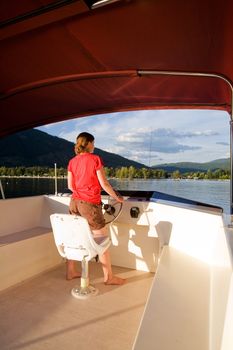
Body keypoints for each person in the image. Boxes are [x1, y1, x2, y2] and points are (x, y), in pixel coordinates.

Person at [67, 132, 125, 285]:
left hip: (74, 202)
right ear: (88, 143)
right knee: (103, 240)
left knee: (74, 237)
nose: (94, 145)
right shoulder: (95, 159)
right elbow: (104, 184)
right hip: (90, 205)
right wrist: (117, 197)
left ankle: (71, 271)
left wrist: (80, 192)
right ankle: (109, 278)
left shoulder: (72, 161)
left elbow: (70, 186)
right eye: (93, 142)